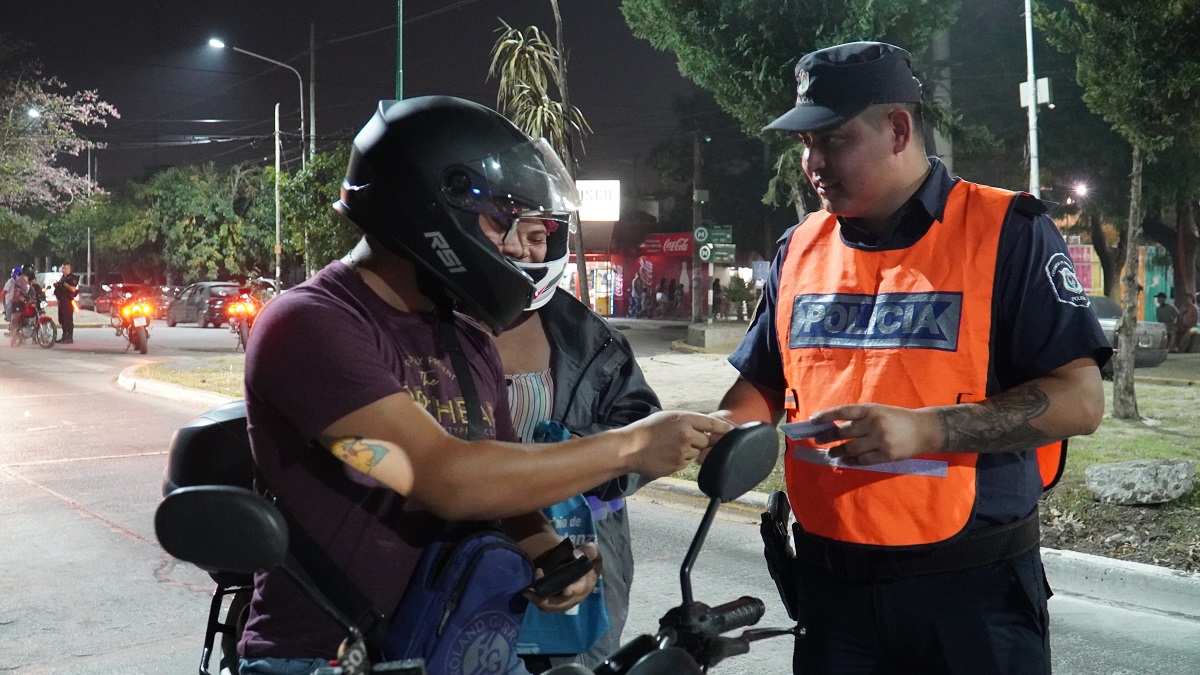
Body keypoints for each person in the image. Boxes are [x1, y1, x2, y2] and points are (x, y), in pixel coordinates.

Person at [238, 96, 730, 674]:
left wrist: (549, 551)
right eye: (502, 220)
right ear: (429, 206)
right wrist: (631, 445)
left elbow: (497, 487)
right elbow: (442, 478)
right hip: (328, 655)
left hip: (458, 646)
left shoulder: (464, 332)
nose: (517, 246)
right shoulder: (312, 325)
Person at [718, 42, 1111, 675]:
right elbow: (761, 385)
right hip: (831, 593)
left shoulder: (1007, 231)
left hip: (971, 597)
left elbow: (1081, 401)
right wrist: (718, 431)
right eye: (806, 144)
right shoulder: (800, 248)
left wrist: (925, 430)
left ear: (899, 129)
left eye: (833, 140)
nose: (813, 163)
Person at [491, 214, 658, 671]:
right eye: (504, 232)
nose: (520, 249)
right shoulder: (429, 332)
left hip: (574, 563)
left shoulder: (590, 336)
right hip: (469, 565)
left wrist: (577, 454)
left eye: (535, 236)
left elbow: (640, 426)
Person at [54, 263, 80, 344]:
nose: (64, 270)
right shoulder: (63, 277)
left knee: (68, 319)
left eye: (65, 268)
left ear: (70, 269)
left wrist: (65, 284)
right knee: (62, 319)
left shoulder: (73, 278)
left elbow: (73, 289)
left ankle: (69, 337)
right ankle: (64, 336)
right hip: (61, 300)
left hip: (68, 301)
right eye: (63, 268)